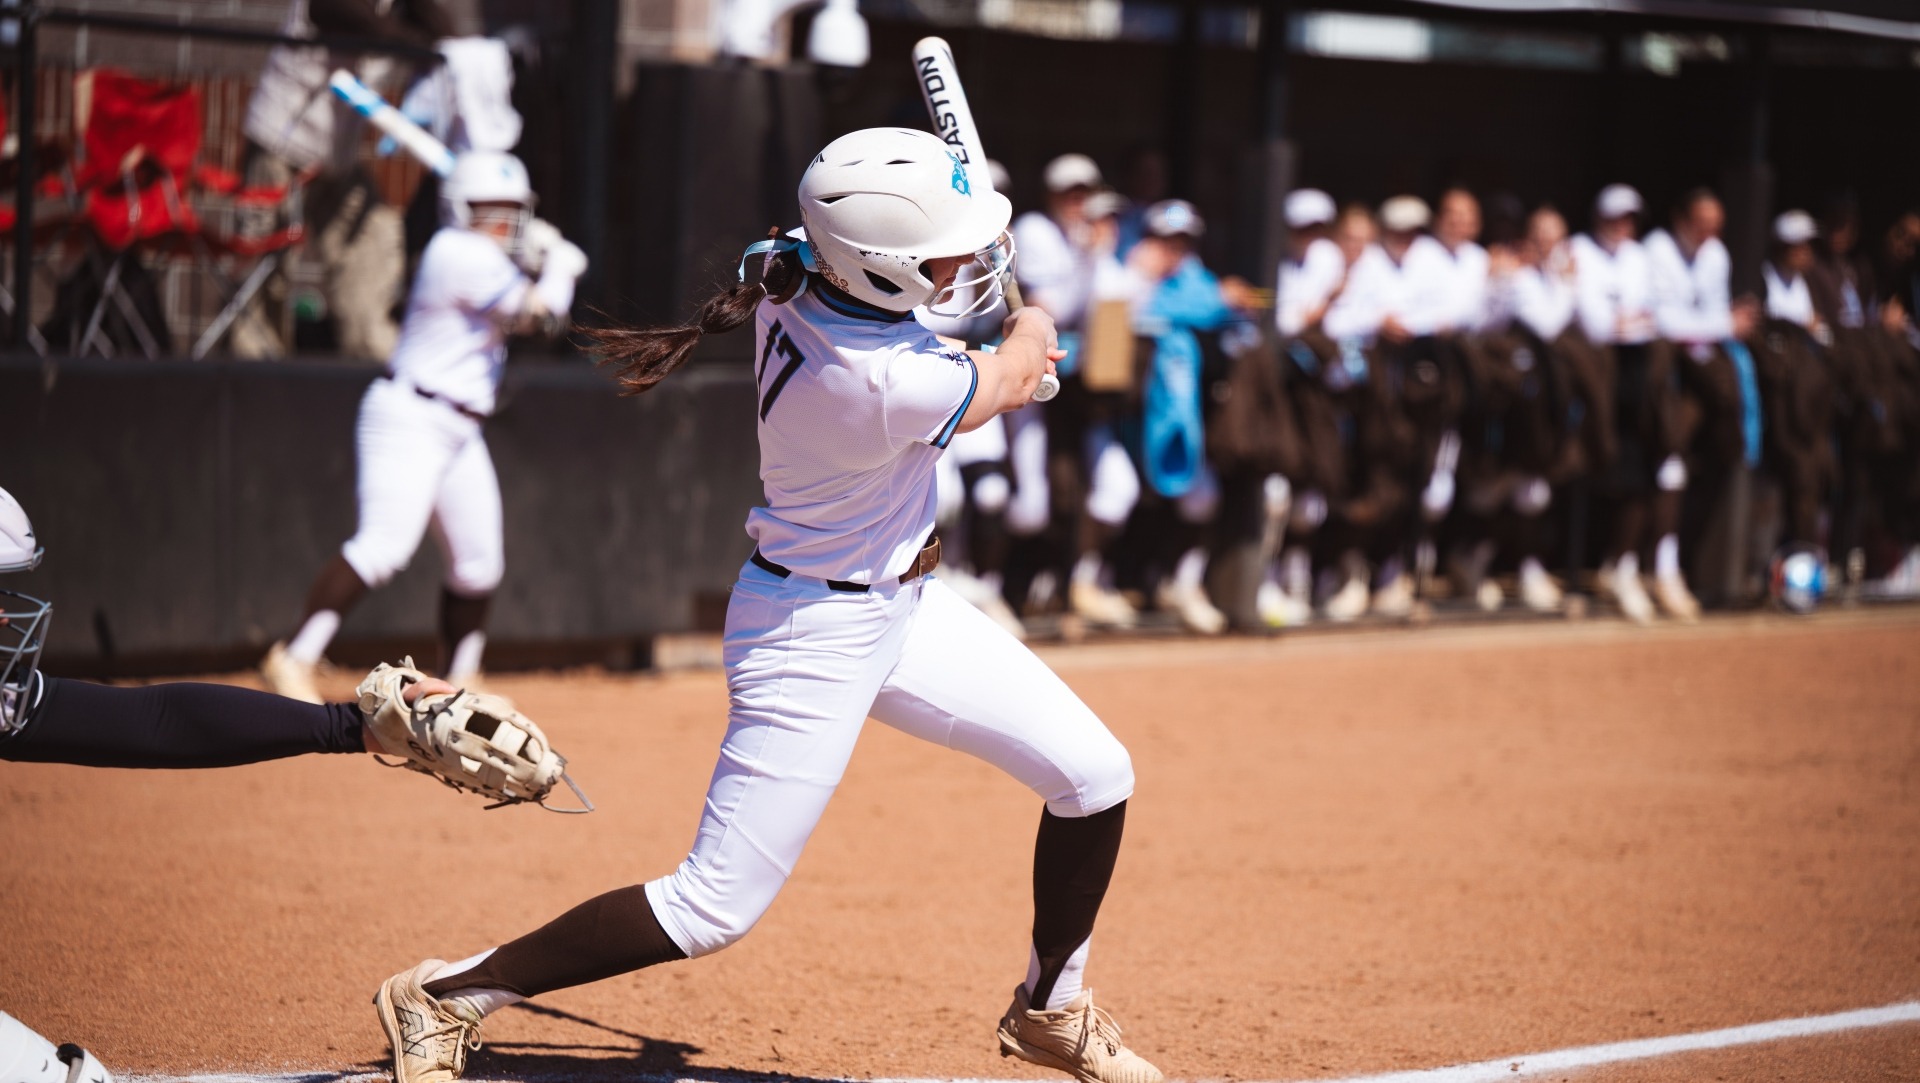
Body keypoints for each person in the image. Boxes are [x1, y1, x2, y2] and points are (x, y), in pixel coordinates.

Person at [367, 128, 1161, 1083]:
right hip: (811, 635)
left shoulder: (788, 267)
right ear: (875, 268)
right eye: (940, 252)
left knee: (1094, 773)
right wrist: (1030, 336)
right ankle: (450, 991)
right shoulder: (885, 380)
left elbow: (827, 248)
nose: (963, 263)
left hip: (904, 603)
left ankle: (1052, 1008)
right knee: (711, 906)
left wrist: (969, 275)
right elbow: (1010, 374)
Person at [261, 152, 587, 702]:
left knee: (479, 562)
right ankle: (292, 659)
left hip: (459, 427)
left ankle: (459, 687)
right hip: (410, 418)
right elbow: (542, 318)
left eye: (512, 211)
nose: (507, 224)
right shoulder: (457, 252)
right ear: (461, 210)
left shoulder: (485, 258)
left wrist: (541, 263)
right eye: (493, 211)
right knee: (383, 547)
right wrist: (560, 267)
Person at [237, 0, 457, 360]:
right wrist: (410, 42)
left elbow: (444, 36)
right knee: (267, 264)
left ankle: (372, 353)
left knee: (375, 238)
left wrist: (444, 43)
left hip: (338, 158)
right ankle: (256, 369)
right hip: (281, 145)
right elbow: (334, 12)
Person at [1639, 188, 1754, 620]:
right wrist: (1723, 324)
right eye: (1700, 224)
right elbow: (1667, 323)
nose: (1708, 234)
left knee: (1687, 462)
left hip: (1701, 375)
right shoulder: (1656, 250)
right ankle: (1653, 570)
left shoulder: (1716, 256)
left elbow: (1711, 325)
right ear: (1680, 219)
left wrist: (1717, 326)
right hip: (1655, 375)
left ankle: (1673, 567)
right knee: (1664, 463)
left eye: (1715, 227)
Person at [1572, 183, 1669, 624]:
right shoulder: (1578, 250)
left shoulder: (1639, 257)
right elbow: (1593, 324)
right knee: (1588, 470)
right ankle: (1577, 574)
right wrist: (1619, 321)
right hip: (1594, 381)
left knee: (1652, 471)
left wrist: (1623, 321)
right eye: (1614, 218)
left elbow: (1654, 314)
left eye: (1629, 219)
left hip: (1637, 376)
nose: (1623, 227)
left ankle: (1624, 568)